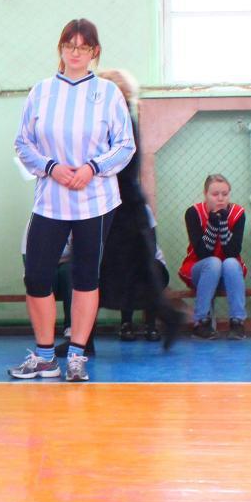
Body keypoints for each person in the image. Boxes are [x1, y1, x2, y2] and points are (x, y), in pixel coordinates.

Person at [11, 19, 135, 382]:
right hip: (50, 199)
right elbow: (23, 143)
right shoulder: (41, 91)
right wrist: (51, 167)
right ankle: (44, 355)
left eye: (83, 47)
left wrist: (93, 168)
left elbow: (124, 145)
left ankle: (77, 355)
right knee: (37, 275)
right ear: (61, 48)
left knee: (85, 276)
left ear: (94, 51)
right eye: (70, 45)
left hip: (94, 200)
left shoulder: (108, 94)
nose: (75, 52)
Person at [93, 69, 181, 348]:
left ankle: (83, 340)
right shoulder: (120, 120)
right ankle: (169, 316)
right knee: (126, 271)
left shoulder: (121, 122)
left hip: (123, 207)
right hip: (121, 205)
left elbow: (118, 165)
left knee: (105, 271)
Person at [178, 174, 247, 340]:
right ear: (205, 194)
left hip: (228, 272)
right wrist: (212, 224)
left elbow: (233, 252)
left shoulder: (238, 213)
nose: (220, 198)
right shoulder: (193, 213)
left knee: (231, 263)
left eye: (225, 194)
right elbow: (202, 253)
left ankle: (237, 322)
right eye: (215, 194)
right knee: (214, 263)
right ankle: (201, 322)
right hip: (200, 268)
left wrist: (223, 223)